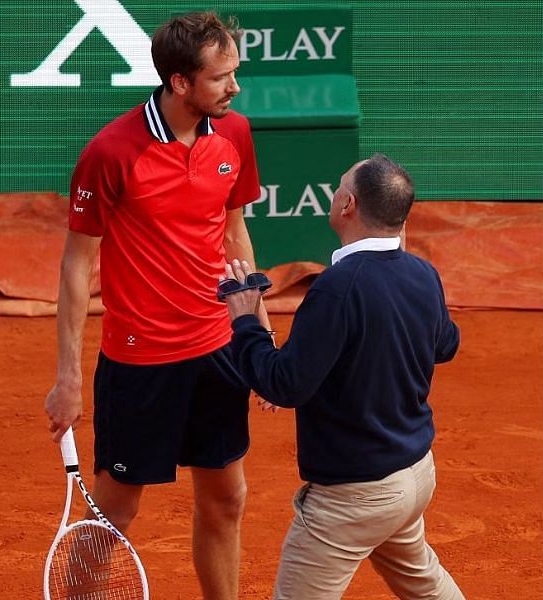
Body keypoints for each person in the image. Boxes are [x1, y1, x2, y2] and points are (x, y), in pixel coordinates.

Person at [43, 12, 270, 599]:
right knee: (113, 514)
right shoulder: (112, 152)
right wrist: (68, 377)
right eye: (221, 78)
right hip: (140, 362)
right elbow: (76, 265)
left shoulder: (235, 135)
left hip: (217, 347)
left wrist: (258, 332)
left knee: (227, 498)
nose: (234, 87)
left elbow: (235, 233)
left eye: (234, 73)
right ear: (179, 82)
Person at [221, 154, 465, 599]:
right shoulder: (421, 273)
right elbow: (444, 344)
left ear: (348, 204)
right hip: (413, 477)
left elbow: (285, 385)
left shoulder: (338, 286)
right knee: (425, 585)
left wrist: (245, 322)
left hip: (355, 499)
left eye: (338, 187)